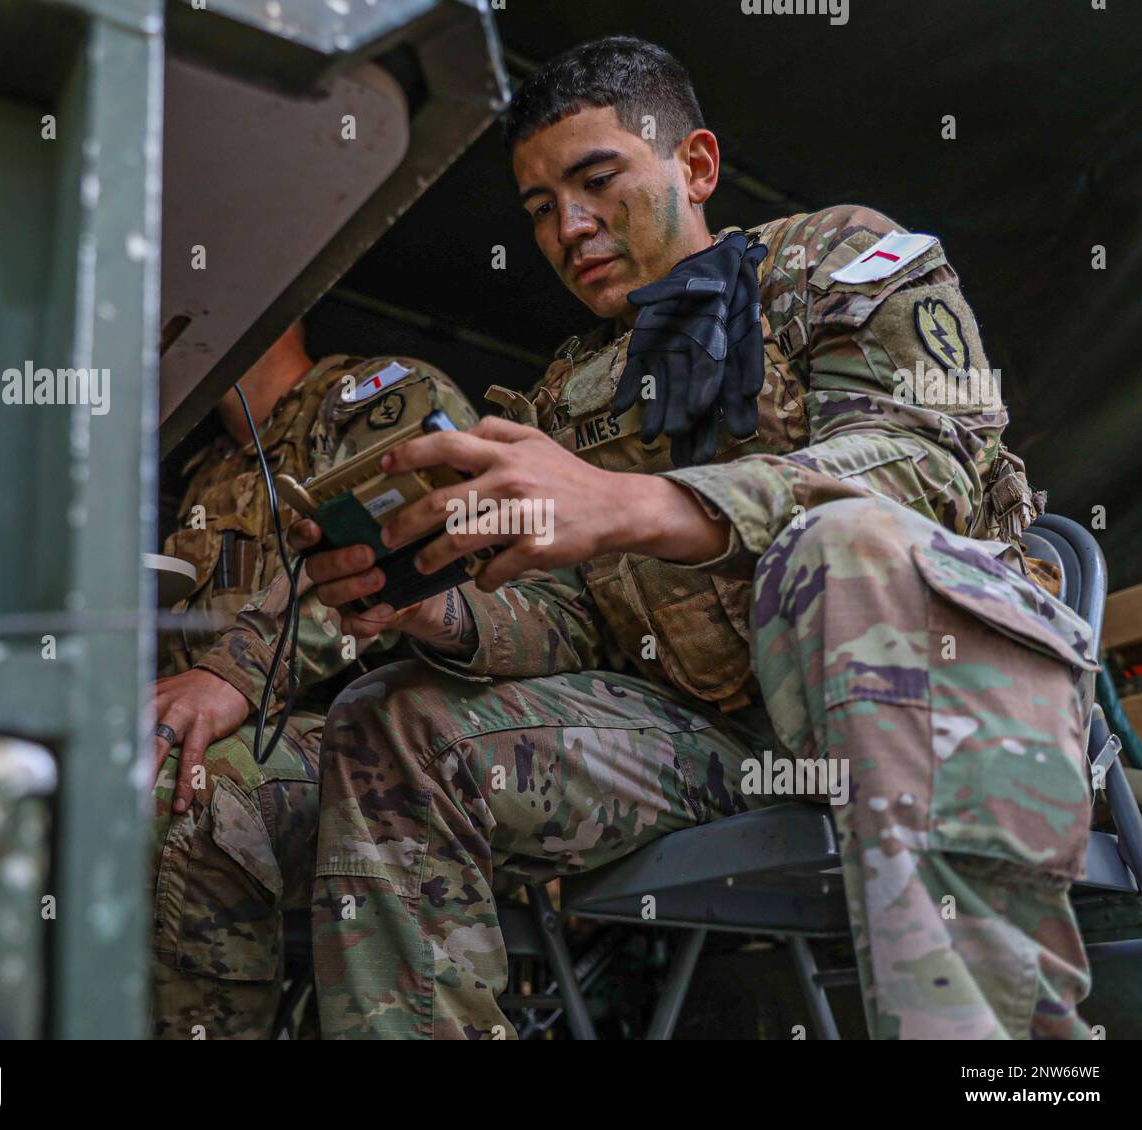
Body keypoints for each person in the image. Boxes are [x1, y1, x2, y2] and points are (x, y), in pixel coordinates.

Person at [297, 36, 1100, 1039]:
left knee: (839, 547)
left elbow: (926, 466)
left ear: (698, 165)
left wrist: (634, 505)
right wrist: (444, 612)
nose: (570, 227)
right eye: (540, 208)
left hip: (922, 679)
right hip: (723, 741)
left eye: (598, 181)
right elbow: (579, 623)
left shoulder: (834, 259)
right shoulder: (567, 388)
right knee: (390, 721)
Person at [150, 321, 477, 1038]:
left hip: (376, 739)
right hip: (259, 738)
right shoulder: (205, 466)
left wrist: (234, 673)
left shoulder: (376, 397)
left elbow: (415, 571)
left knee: (189, 796)